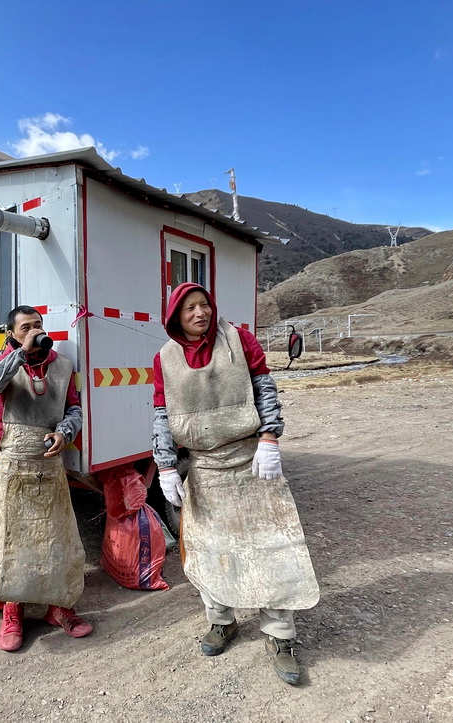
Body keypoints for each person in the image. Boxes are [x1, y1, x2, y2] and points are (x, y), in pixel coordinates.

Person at [151, 283, 319, 685]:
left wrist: (269, 437)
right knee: (210, 549)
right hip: (204, 468)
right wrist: (166, 466)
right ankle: (221, 621)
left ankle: (280, 636)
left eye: (204, 304)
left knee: (270, 547)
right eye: (190, 308)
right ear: (176, 316)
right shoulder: (165, 358)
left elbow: (264, 389)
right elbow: (161, 412)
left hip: (251, 461)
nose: (200, 313)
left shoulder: (240, 340)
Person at [0, 304, 93, 652]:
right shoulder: (5, 364)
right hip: (13, 461)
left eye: (38, 326)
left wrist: (65, 431)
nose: (33, 332)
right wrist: (19, 355)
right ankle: (13, 613)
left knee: (55, 535)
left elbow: (73, 408)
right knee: (13, 537)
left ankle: (60, 608)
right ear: (12, 334)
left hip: (49, 461)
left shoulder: (62, 365)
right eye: (25, 328)